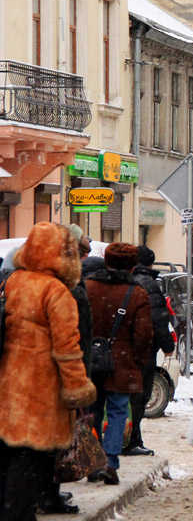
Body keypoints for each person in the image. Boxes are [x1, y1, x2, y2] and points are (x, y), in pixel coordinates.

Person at [0, 223, 97, 521]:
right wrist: (78, 388)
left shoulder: (14, 281)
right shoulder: (56, 291)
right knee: (32, 461)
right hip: (41, 388)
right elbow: (67, 349)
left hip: (9, 381)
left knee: (10, 456)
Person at [85, 244, 152, 485]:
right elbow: (144, 334)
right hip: (122, 362)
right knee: (117, 411)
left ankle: (93, 461)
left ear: (106, 262)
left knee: (91, 411)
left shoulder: (88, 287)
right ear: (132, 266)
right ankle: (110, 461)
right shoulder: (137, 293)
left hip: (91, 360)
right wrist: (138, 361)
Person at [125, 245, 176, 457]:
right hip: (143, 350)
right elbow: (157, 319)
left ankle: (122, 437)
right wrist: (167, 346)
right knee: (138, 396)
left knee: (123, 396)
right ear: (150, 264)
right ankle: (131, 440)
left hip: (121, 349)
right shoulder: (150, 286)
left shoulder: (125, 281)